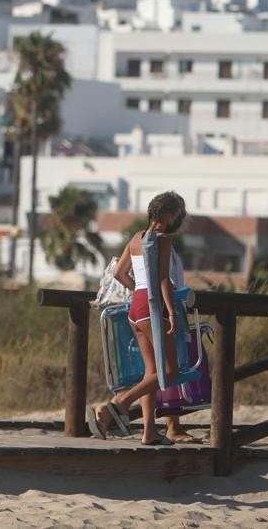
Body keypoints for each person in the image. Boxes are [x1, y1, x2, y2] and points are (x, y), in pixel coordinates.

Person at [89, 191, 195, 445]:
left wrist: (138, 288)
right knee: (168, 372)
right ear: (169, 214)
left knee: (149, 373)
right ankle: (116, 404)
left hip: (134, 308)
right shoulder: (163, 239)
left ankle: (149, 432)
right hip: (153, 309)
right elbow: (162, 281)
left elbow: (118, 273)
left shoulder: (136, 238)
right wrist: (171, 311)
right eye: (177, 214)